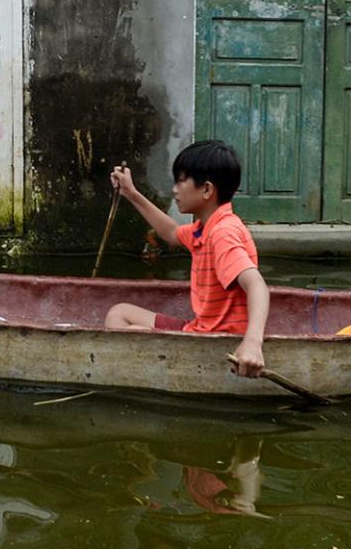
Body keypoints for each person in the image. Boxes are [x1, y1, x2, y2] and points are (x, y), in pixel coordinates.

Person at [104, 140, 269, 378]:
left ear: (206, 190)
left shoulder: (222, 233)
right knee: (118, 313)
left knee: (130, 333)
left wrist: (253, 342)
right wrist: (131, 193)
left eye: (181, 181)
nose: (174, 189)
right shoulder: (205, 228)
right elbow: (171, 234)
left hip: (214, 338)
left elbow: (256, 285)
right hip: (200, 327)